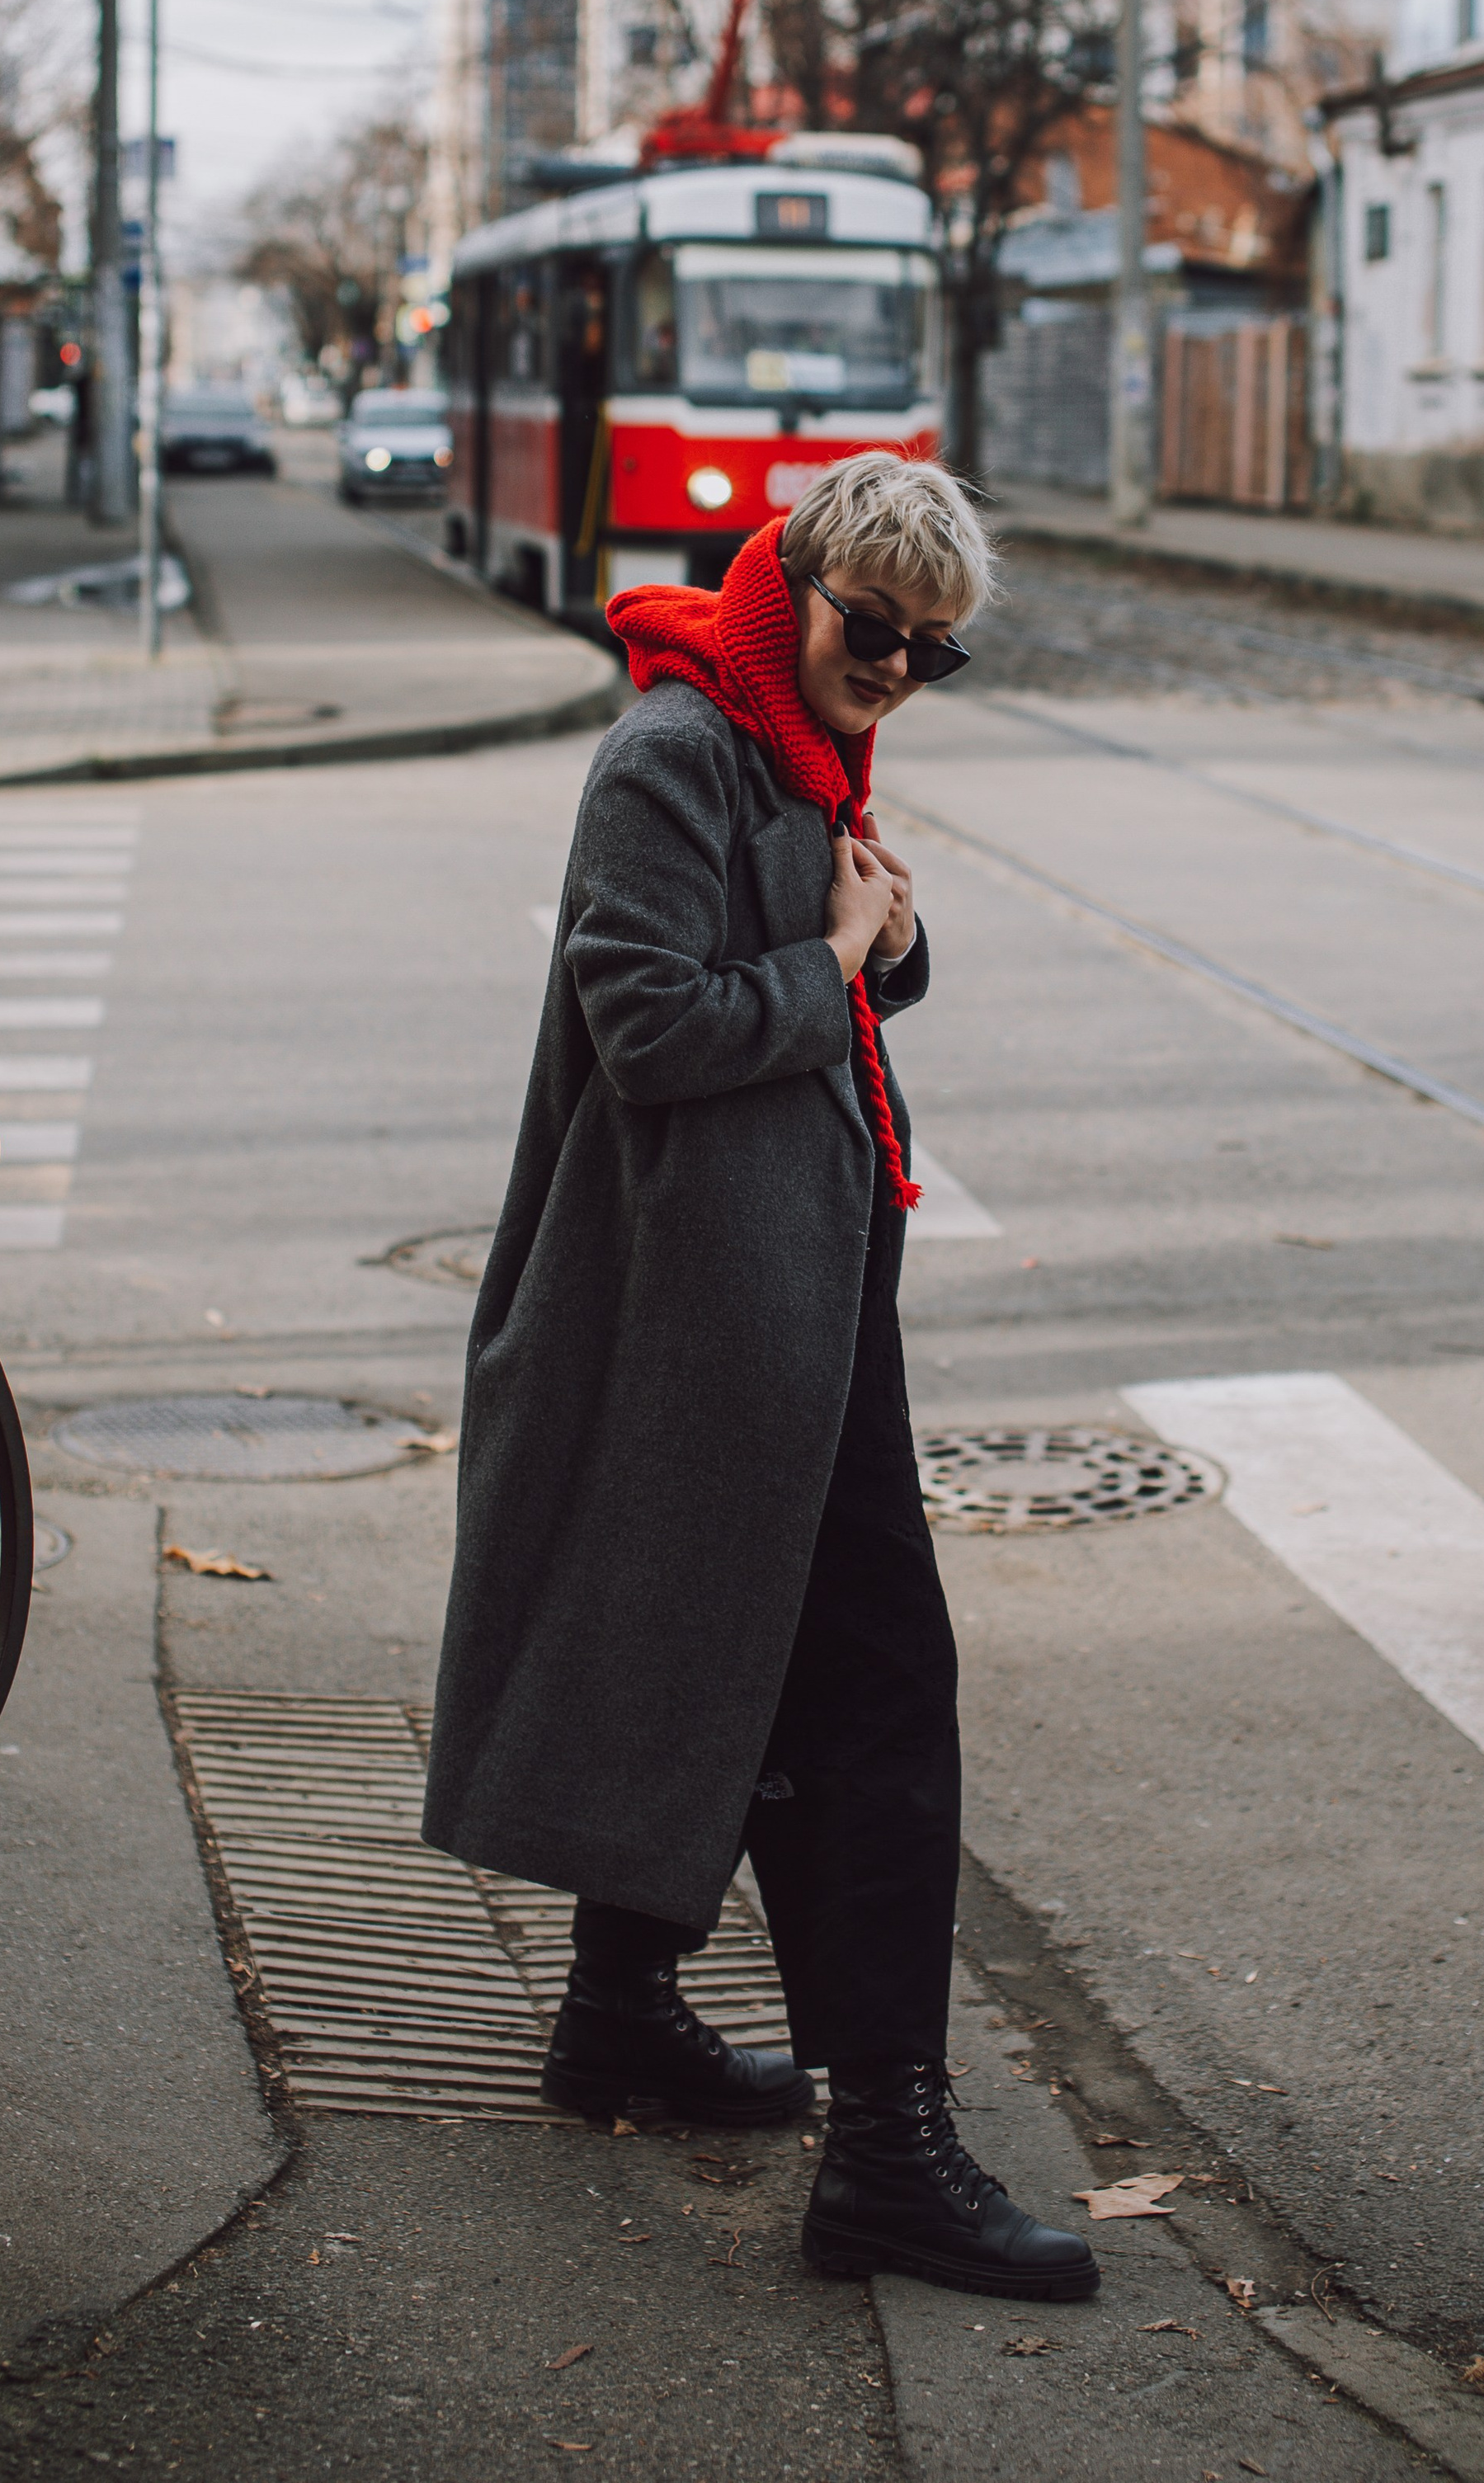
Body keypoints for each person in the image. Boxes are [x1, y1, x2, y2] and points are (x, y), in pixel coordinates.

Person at [423, 450, 1097, 2306]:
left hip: (788, 1286)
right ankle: (886, 2150)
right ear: (791, 583)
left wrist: (879, 936)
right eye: (868, 634)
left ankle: (620, 2012)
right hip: (707, 1317)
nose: (888, 675)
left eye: (925, 656)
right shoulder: (673, 749)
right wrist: (834, 956)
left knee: (723, 1650)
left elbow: (835, 956)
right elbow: (647, 1022)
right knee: (874, 1695)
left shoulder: (786, 738)